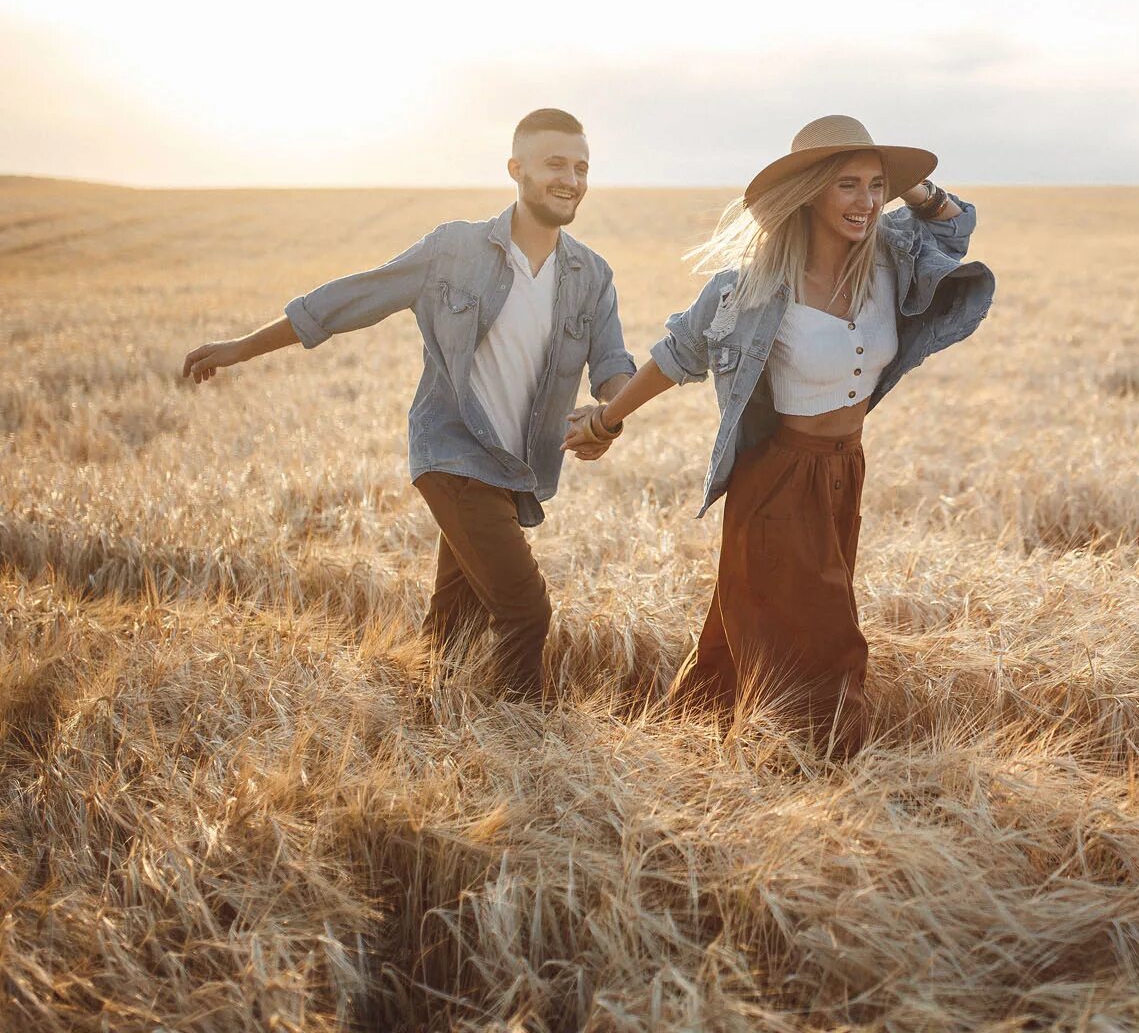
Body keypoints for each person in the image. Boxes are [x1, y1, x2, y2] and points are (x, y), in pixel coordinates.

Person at [561, 114, 993, 756]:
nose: (867, 202)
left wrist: (912, 187)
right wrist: (605, 418)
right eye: (847, 184)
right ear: (811, 191)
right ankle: (825, 778)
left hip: (845, 473)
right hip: (780, 482)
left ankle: (702, 751)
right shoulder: (753, 289)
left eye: (877, 185)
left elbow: (954, 226)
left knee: (757, 633)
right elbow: (678, 354)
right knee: (825, 639)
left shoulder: (890, 260)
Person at [182, 108, 635, 700]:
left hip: (513, 469)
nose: (571, 180)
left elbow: (612, 370)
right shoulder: (455, 249)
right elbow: (353, 297)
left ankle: (426, 729)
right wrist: (244, 346)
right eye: (556, 164)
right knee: (526, 610)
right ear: (516, 169)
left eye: (581, 167)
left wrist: (608, 420)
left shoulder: (591, 275)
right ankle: (528, 748)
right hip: (451, 455)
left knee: (456, 626)